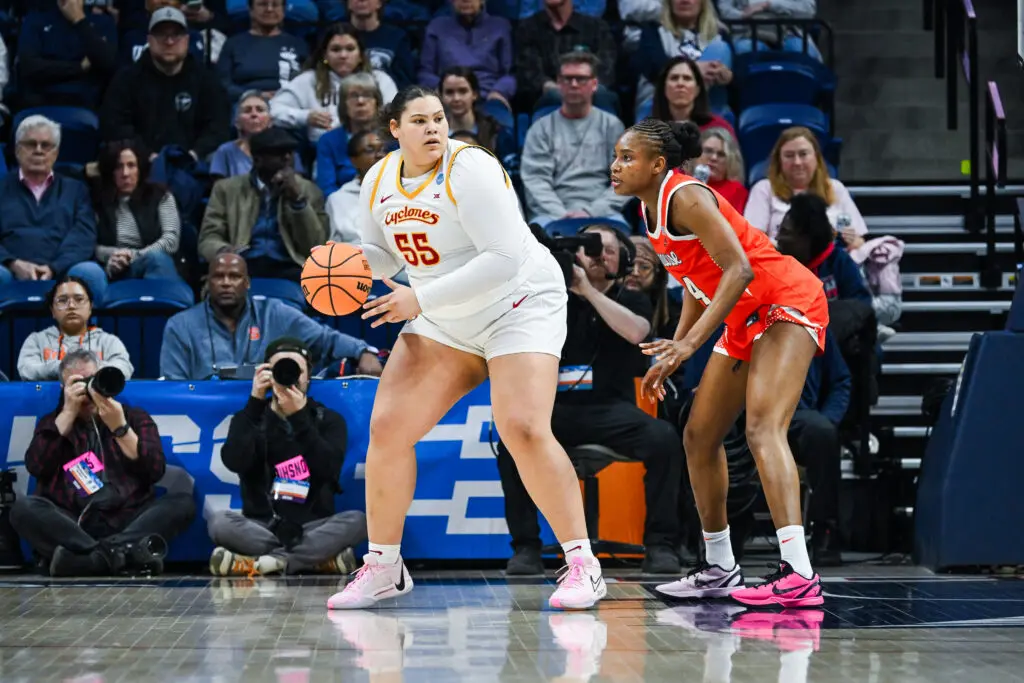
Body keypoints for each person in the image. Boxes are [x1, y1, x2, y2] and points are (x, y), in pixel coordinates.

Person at [326, 85, 605, 611]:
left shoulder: (471, 168)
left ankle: (583, 564)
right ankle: (384, 566)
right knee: (387, 427)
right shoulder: (379, 179)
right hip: (446, 316)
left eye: (439, 118)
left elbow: (500, 257)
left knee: (521, 427)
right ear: (395, 129)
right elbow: (383, 254)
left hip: (518, 303)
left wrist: (420, 298)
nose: (433, 128)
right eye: (420, 120)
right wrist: (349, 264)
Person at [609, 117, 828, 607]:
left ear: (658, 164)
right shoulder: (649, 211)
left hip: (783, 301)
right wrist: (674, 350)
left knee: (762, 429)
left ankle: (799, 573)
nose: (616, 166)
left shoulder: (686, 196)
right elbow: (694, 286)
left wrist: (689, 347)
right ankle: (719, 566)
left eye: (627, 157)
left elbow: (740, 268)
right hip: (743, 313)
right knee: (698, 433)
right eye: (617, 156)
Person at [495, 225, 685, 576]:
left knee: (664, 439)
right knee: (511, 443)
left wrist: (587, 290)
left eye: (609, 250)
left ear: (623, 258)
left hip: (612, 410)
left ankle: (660, 545)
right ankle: (526, 548)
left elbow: (637, 332)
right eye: (591, 248)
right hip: (556, 412)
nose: (600, 255)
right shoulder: (552, 298)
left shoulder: (631, 298)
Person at [9, 349, 196, 576]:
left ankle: (89, 561)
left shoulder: (134, 417)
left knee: (182, 503)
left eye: (93, 380)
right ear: (64, 388)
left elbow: (155, 470)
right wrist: (68, 413)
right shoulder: (54, 422)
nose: (88, 390)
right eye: (79, 382)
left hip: (128, 520)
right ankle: (122, 557)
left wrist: (120, 428)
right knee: (22, 509)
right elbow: (37, 466)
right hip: (73, 524)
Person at [208, 337, 368, 576]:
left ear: (308, 376)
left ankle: (264, 563)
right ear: (265, 373)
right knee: (219, 522)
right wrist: (254, 403)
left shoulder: (328, 420)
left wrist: (299, 417)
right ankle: (315, 560)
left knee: (359, 521)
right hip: (261, 525)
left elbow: (328, 470)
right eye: (279, 369)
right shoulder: (249, 418)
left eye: (296, 370)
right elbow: (234, 461)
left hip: (315, 526)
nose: (289, 376)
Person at [159, 254, 382, 380]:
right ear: (208, 283)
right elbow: (172, 387)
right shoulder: (181, 325)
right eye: (219, 277)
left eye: (234, 276)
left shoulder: (274, 313)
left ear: (246, 284)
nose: (226, 282)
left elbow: (326, 339)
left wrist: (363, 352)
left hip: (267, 414)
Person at [198, 127, 328, 281]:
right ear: (257, 159)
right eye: (278, 153)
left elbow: (316, 246)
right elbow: (208, 238)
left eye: (290, 152)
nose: (287, 158)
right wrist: (225, 251)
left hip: (291, 267)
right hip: (242, 265)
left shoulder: (309, 190)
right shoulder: (227, 190)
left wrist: (297, 200)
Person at [91, 139, 187, 290]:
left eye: (131, 165)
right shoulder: (98, 201)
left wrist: (133, 256)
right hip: (114, 268)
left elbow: (170, 240)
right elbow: (89, 243)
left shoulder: (162, 196)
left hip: (155, 265)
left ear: (140, 169)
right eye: (118, 167)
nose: (125, 173)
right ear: (110, 171)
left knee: (156, 258)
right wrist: (114, 256)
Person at [17, 276, 134, 382]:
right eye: (62, 300)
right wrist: (65, 367)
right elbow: (27, 371)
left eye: (79, 299)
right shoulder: (36, 340)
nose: (71, 306)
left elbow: (124, 369)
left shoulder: (108, 341)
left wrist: (88, 368)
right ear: (52, 310)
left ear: (90, 308)